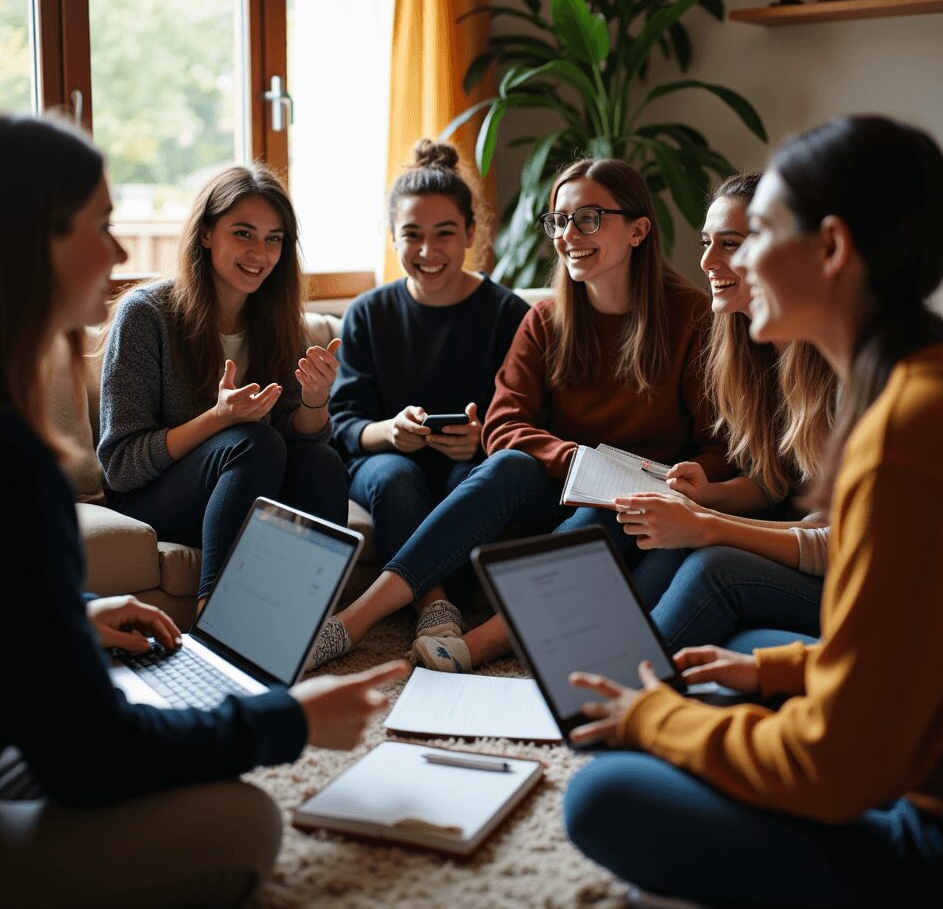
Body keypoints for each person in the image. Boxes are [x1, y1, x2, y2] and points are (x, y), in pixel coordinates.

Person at [0, 112, 407, 908]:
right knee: (247, 823)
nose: (116, 252)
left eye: (274, 238)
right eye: (102, 225)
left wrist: (72, 614)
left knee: (302, 451)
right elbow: (93, 755)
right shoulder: (8, 451)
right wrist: (287, 723)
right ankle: (226, 625)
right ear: (25, 242)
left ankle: (286, 617)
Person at [564, 115, 943, 908]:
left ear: (832, 249)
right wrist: (773, 670)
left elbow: (833, 770)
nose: (721, 262)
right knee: (738, 665)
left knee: (599, 795)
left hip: (926, 839)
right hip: (910, 746)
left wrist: (655, 723)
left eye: (754, 234)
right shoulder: (915, 383)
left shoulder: (903, 433)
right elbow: (912, 647)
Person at [308, 157, 728, 673]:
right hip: (558, 483)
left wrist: (691, 476)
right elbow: (506, 423)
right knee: (509, 466)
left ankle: (477, 644)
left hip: (641, 497)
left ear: (638, 230)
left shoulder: (691, 318)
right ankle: (353, 621)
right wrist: (576, 459)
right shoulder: (546, 319)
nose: (569, 234)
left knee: (607, 510)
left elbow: (722, 443)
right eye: (559, 220)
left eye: (588, 218)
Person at [97, 163, 348, 608]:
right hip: (155, 500)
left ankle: (307, 613)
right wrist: (218, 419)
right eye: (244, 233)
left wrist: (314, 401)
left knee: (321, 461)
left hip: (244, 492)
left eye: (274, 239)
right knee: (254, 440)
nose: (260, 252)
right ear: (207, 233)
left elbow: (300, 437)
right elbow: (121, 466)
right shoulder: (146, 314)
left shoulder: (278, 321)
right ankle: (217, 617)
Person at [613, 174, 836, 652]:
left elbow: (837, 541)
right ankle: (612, 658)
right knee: (721, 607)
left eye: (730, 244)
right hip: (808, 553)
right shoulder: (749, 351)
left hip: (854, 575)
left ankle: (618, 684)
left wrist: (707, 524)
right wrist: (707, 496)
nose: (707, 262)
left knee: (714, 565)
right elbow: (769, 479)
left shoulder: (839, 365)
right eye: (707, 242)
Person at [329, 139, 528, 642]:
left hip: (470, 462)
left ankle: (422, 598)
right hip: (386, 460)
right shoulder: (369, 313)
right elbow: (345, 422)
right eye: (411, 235)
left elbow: (526, 418)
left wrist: (482, 437)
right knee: (394, 475)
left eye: (444, 234)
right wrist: (391, 432)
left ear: (470, 235)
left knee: (470, 474)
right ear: (392, 238)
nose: (427, 252)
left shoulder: (508, 314)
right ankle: (434, 603)